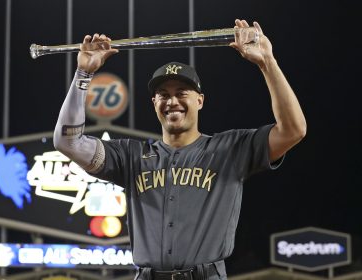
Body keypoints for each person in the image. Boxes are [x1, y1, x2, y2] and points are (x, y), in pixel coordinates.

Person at [53, 19, 306, 280]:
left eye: (182, 92)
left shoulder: (229, 149)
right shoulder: (131, 156)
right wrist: (83, 75)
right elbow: (67, 142)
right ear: (154, 103)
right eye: (163, 94)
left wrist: (268, 63)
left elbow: (293, 130)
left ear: (200, 100)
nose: (172, 101)